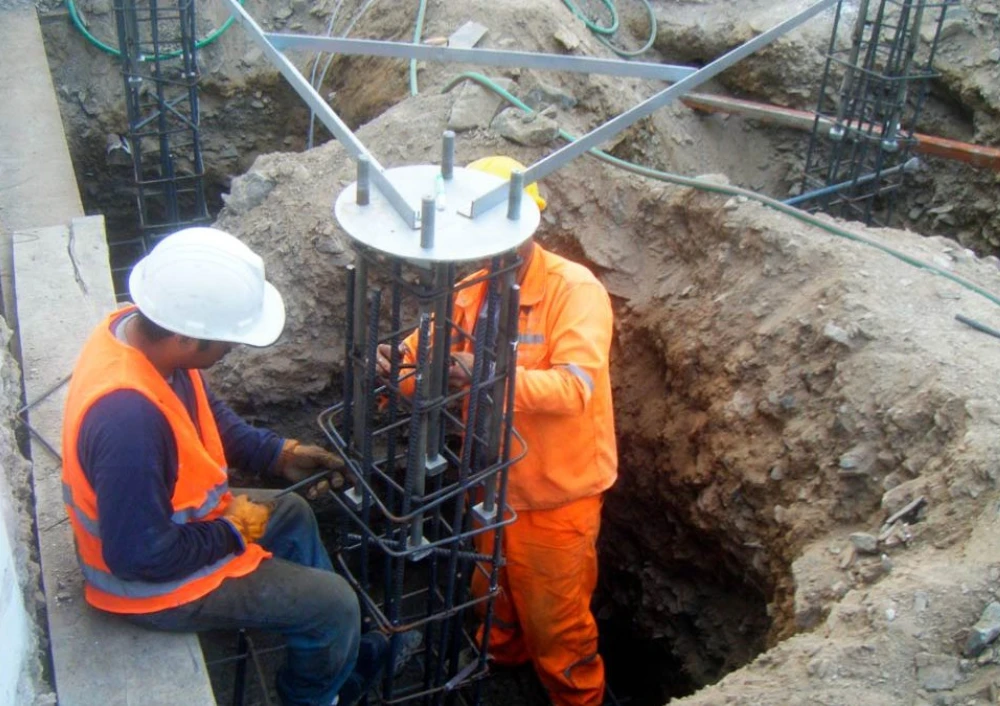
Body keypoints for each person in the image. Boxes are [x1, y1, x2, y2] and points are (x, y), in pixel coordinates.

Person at [61, 227, 387, 706]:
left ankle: (342, 651)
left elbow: (206, 415)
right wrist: (232, 532)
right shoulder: (128, 419)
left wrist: (276, 453)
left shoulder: (143, 334)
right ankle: (314, 695)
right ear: (186, 336)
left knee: (293, 513)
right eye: (226, 342)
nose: (232, 351)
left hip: (174, 532)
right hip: (149, 585)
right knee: (333, 605)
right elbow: (138, 556)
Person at [376, 156, 618, 706]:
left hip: (555, 496)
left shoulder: (573, 291)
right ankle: (502, 668)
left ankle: (578, 698)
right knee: (492, 595)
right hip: (489, 481)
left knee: (557, 625)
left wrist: (485, 377)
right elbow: (426, 363)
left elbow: (573, 391)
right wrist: (399, 368)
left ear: (528, 223)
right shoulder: (470, 289)